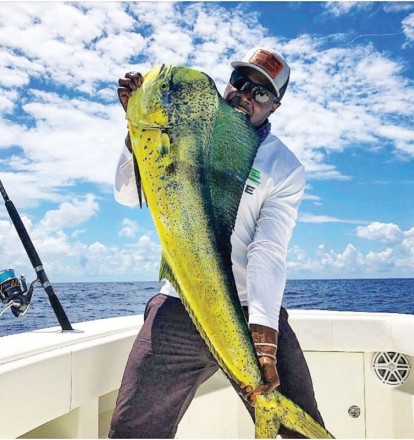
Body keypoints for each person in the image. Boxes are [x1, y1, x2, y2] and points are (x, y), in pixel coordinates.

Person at [109, 47, 324, 438]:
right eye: (240, 82)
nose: (245, 95)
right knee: (132, 430)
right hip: (179, 303)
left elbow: (267, 249)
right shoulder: (185, 130)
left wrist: (263, 333)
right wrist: (135, 131)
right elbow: (127, 194)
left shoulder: (285, 166)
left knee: (304, 432)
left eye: (261, 92)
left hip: (251, 309)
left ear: (275, 106)